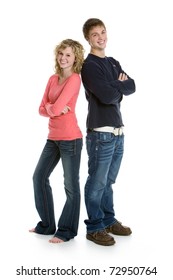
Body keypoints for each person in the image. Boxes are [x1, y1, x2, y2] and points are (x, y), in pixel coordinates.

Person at [81, 18, 136, 246]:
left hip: (118, 132)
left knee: (109, 181)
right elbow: (107, 96)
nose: (101, 37)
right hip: (100, 134)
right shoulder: (89, 66)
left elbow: (132, 85)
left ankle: (108, 219)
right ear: (88, 38)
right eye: (95, 34)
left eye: (103, 32)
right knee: (97, 182)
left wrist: (117, 86)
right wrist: (118, 86)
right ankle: (94, 227)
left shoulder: (113, 62)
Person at [29, 39, 84, 243]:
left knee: (70, 186)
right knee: (38, 177)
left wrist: (52, 108)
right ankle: (47, 225)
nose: (63, 58)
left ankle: (66, 230)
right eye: (61, 53)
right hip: (52, 139)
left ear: (75, 58)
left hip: (71, 139)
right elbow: (41, 108)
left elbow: (54, 106)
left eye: (68, 55)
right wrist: (54, 109)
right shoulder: (53, 79)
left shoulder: (75, 79)